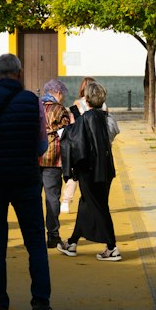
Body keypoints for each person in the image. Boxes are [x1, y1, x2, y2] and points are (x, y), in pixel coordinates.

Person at [0, 53, 60, 310]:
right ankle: (41, 303)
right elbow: (42, 146)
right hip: (25, 179)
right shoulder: (32, 103)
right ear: (19, 74)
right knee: (35, 242)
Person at [58, 79, 121, 260]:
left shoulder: (87, 118)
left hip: (90, 170)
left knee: (98, 206)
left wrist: (63, 130)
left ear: (87, 99)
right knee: (87, 204)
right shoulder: (105, 117)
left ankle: (112, 247)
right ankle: (72, 243)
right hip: (105, 169)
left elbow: (72, 138)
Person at [38, 79, 72, 249]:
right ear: (57, 93)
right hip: (53, 158)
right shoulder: (59, 109)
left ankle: (35, 235)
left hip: (34, 157)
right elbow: (67, 133)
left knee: (33, 198)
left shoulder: (34, 106)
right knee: (52, 198)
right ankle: (52, 235)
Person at [59, 77, 92, 216]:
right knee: (90, 175)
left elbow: (72, 125)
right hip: (93, 145)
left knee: (75, 173)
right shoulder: (102, 105)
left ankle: (66, 201)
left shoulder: (77, 104)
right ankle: (90, 203)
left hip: (79, 144)